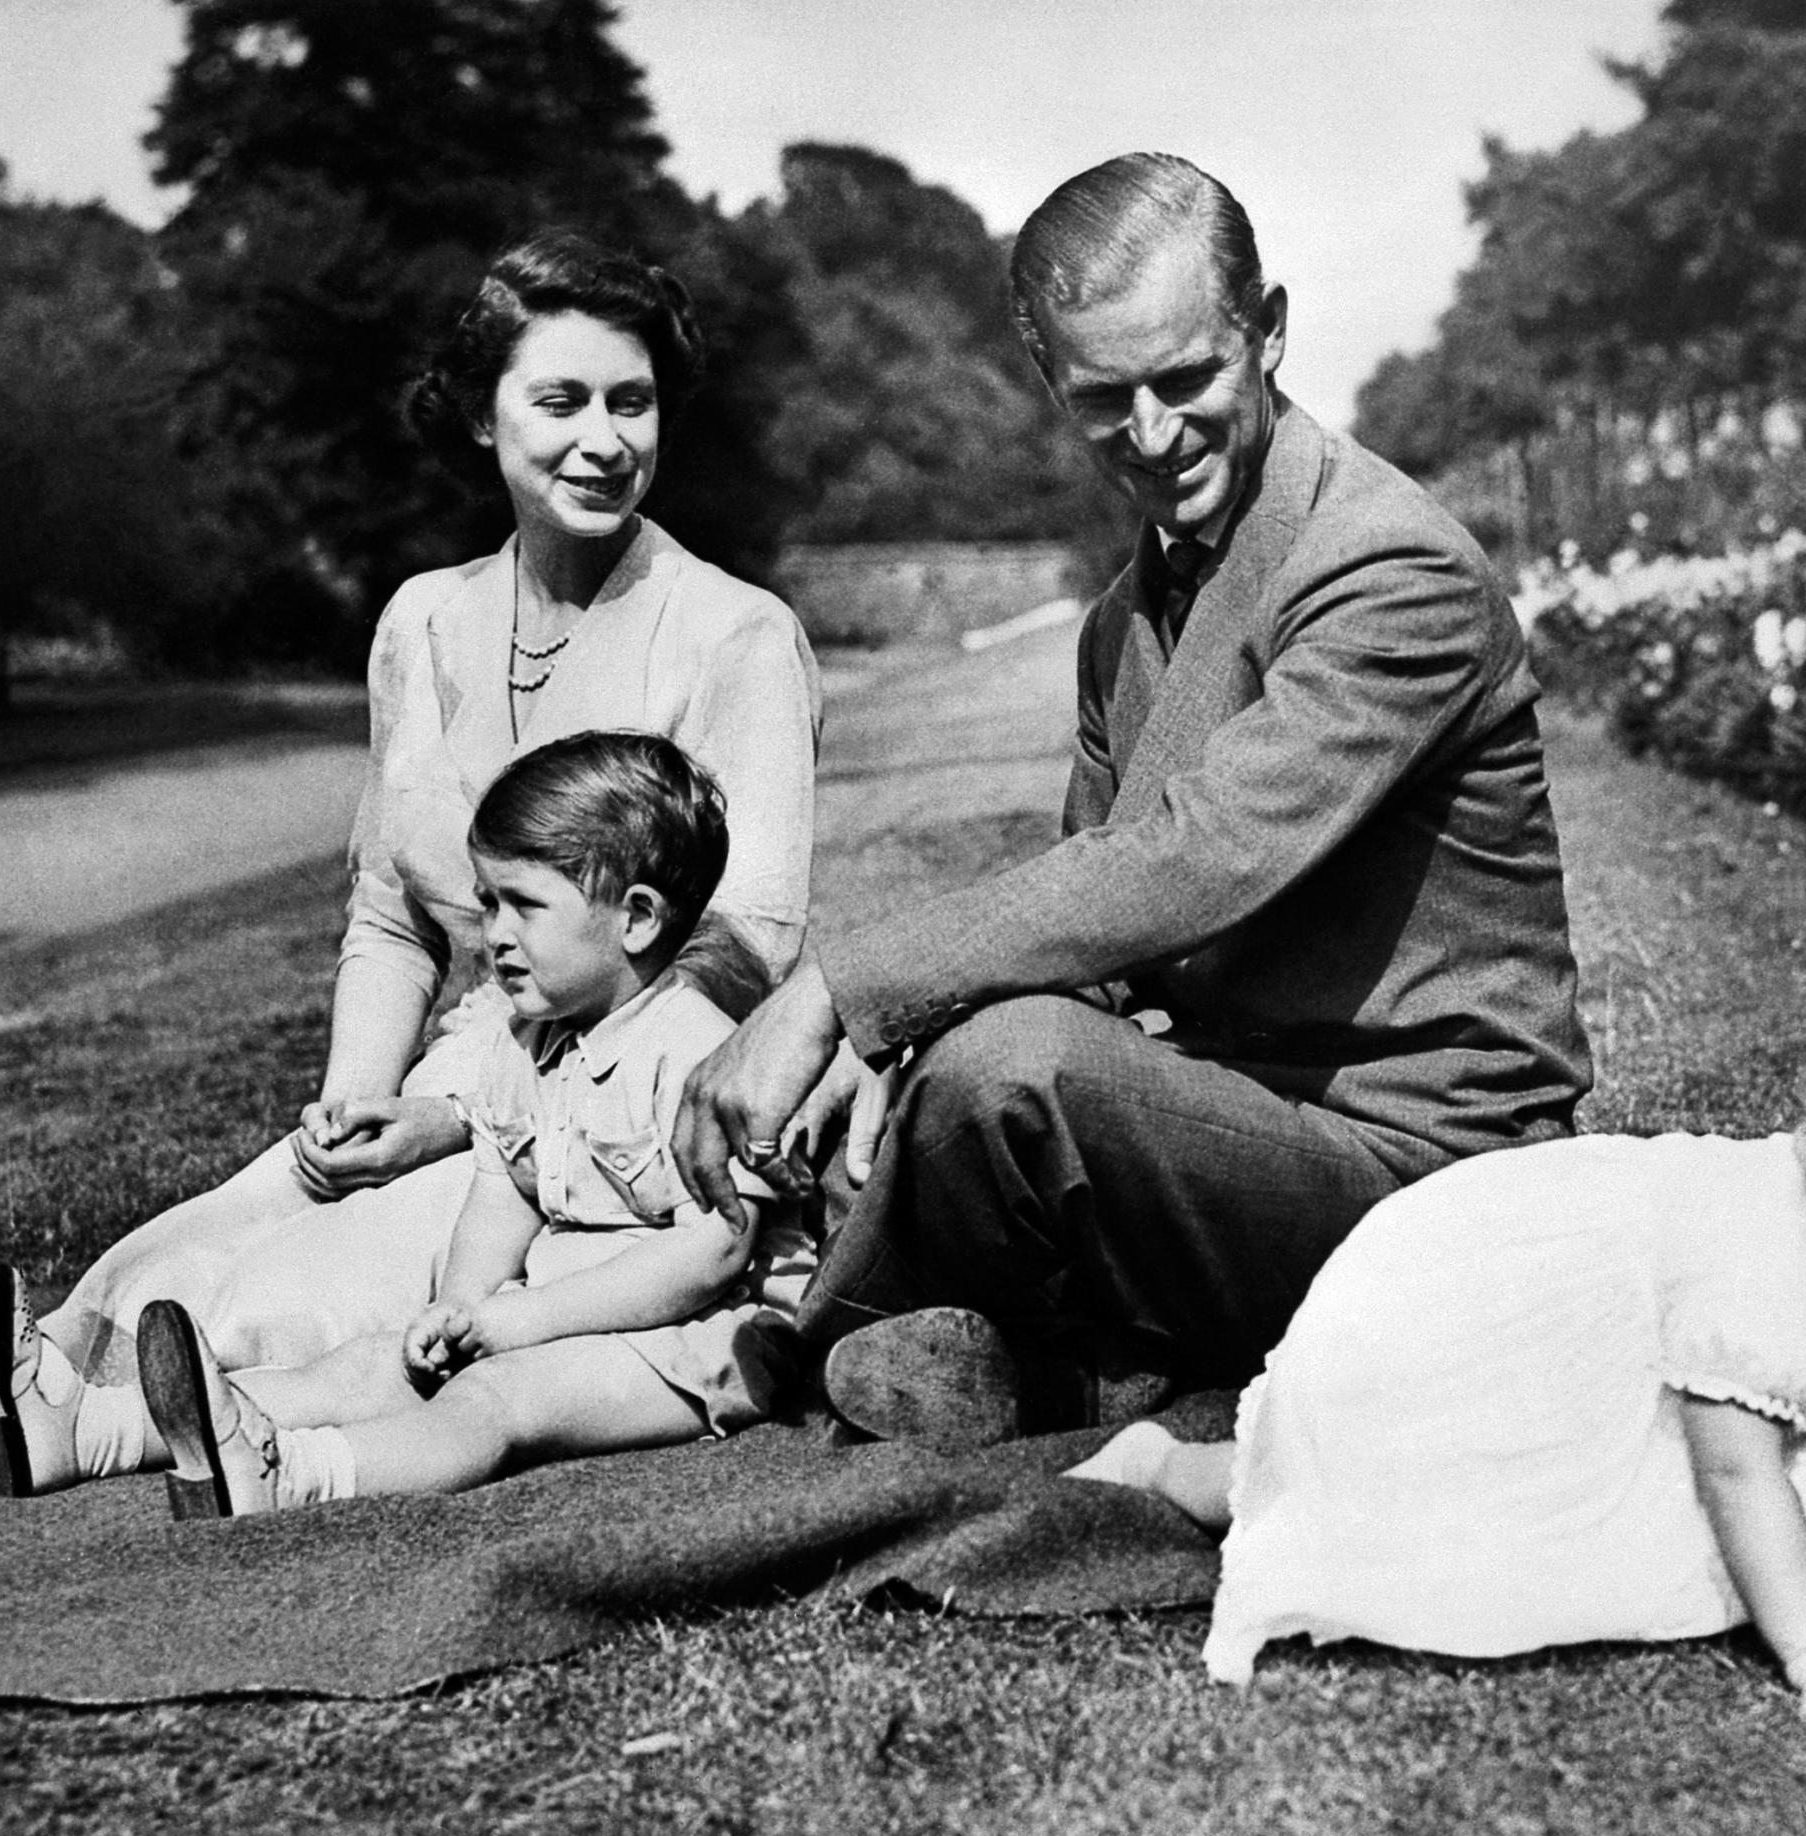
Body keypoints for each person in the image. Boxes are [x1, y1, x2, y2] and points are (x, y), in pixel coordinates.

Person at [0, 230, 821, 1491]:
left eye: (631, 400)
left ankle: (139, 1432)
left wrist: (453, 1121)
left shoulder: (736, 635)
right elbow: (390, 916)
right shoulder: (421, 620)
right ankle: (57, 1404)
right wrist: (351, 1110)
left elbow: (742, 950)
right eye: (559, 400)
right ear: (483, 419)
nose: (602, 437)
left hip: (612, 1118)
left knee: (271, 1299)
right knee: (168, 1259)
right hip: (439, 1078)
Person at [676, 153, 1591, 1445]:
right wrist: (886, 1050)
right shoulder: (1123, 619)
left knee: (1009, 1060)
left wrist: (840, 991)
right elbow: (1094, 948)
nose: (1154, 436)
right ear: (1053, 381)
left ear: (1267, 330)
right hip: (1235, 1128)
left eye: (1188, 379)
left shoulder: (1387, 565)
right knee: (966, 1048)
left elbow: (1190, 861)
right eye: (1106, 399)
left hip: (1433, 1179)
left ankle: (827, 1347)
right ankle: (1040, 1356)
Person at [1063, 1003, 1806, 1720]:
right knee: (1370, 1493)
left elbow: (1799, 1422)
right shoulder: (1760, 1286)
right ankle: (1161, 1464)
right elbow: (1738, 1470)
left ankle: (1187, 1465)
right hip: (1454, 1345)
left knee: (1385, 1487)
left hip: (1556, 1337)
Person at [0, 733, 804, 1512]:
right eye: (486, 902)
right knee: (366, 1361)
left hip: (707, 1340)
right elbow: (502, 1184)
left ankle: (293, 1475)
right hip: (560, 1306)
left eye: (524, 905)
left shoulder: (699, 1049)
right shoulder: (528, 1039)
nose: (495, 935)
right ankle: (89, 1431)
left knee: (495, 1400)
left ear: (638, 918)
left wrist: (519, 1322)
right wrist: (460, 1307)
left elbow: (713, 1250)